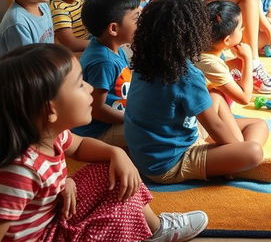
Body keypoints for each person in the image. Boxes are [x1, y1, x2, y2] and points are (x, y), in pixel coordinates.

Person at [0, 43, 208, 241]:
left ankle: (155, 229)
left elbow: (80, 146)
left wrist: (116, 154)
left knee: (112, 172)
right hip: (48, 235)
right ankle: (141, 231)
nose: (90, 88)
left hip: (54, 215)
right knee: (116, 218)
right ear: (50, 110)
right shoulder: (21, 172)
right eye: (80, 84)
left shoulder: (50, 134)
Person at [125, 0, 271, 185]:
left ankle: (229, 163)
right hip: (167, 164)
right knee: (253, 151)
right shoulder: (186, 75)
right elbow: (215, 127)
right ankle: (236, 167)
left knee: (251, 121)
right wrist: (237, 154)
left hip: (152, 148)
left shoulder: (146, 62)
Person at [74, 0, 141, 148]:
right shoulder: (104, 62)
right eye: (136, 19)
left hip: (117, 114)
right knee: (152, 132)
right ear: (113, 29)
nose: (141, 23)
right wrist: (131, 119)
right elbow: (97, 109)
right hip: (98, 132)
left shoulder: (114, 47)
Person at [197, 0, 261, 105]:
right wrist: (248, 59)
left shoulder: (200, 48)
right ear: (227, 40)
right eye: (240, 28)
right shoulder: (211, 64)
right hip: (196, 118)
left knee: (238, 64)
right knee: (216, 95)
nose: (243, 29)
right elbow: (244, 98)